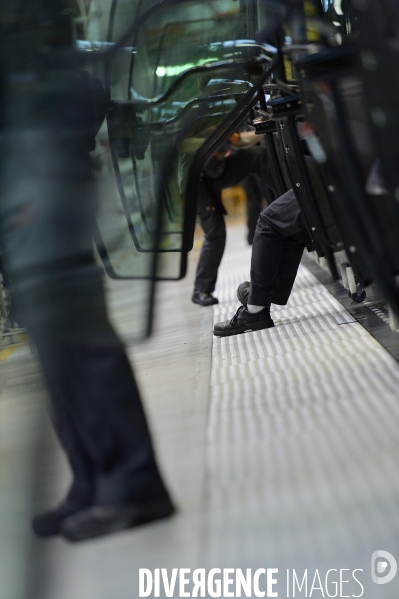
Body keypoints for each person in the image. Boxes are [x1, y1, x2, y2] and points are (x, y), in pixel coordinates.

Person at [0, 2, 174, 542]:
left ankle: (133, 482)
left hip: (38, 160)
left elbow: (71, 82)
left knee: (74, 325)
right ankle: (93, 478)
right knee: (51, 338)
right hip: (23, 162)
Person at [213, 189, 311, 336]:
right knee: (287, 226)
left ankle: (255, 308)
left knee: (268, 222)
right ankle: (263, 297)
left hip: (326, 183)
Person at [192, 132, 273, 307]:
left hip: (215, 170)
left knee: (256, 155)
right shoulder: (191, 124)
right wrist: (219, 137)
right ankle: (201, 290)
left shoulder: (216, 121)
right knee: (215, 233)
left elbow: (239, 141)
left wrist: (264, 129)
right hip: (195, 180)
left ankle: (286, 203)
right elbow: (184, 144)